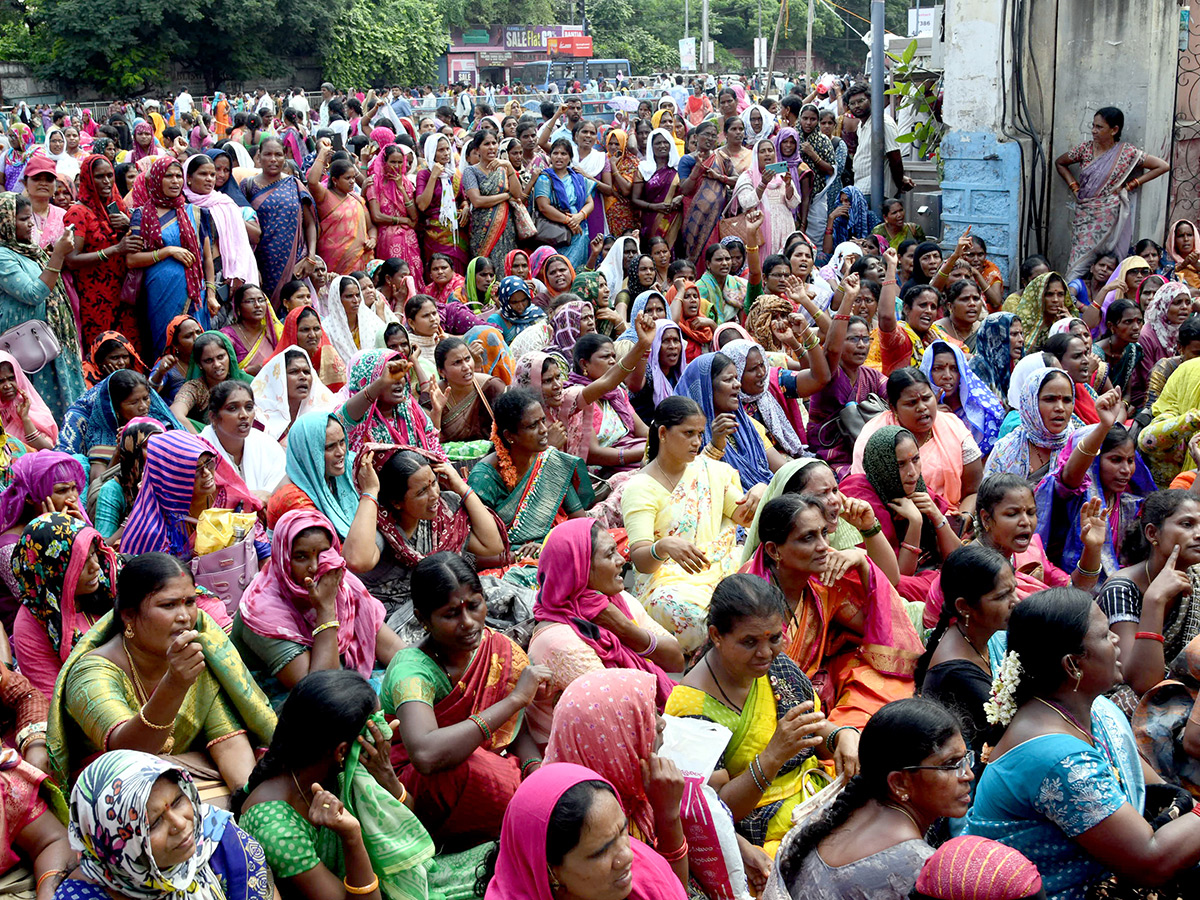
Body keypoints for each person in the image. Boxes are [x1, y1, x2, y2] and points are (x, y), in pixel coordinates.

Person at [966, 588, 1200, 900]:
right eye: (1105, 635)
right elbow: (1150, 862)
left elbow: (1159, 793)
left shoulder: (1096, 711)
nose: (1117, 639)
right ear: (1073, 665)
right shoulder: (1055, 755)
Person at [664, 571, 863, 855]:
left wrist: (844, 736)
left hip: (816, 794)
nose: (766, 653)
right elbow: (718, 810)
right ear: (716, 636)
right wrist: (772, 757)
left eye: (775, 638)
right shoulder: (691, 709)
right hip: (761, 830)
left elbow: (817, 733)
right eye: (749, 642)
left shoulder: (777, 666)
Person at [49, 552, 276, 793]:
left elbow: (227, 740)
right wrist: (174, 685)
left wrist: (247, 800)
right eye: (168, 605)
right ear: (128, 616)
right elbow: (126, 754)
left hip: (182, 782)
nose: (184, 617)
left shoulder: (193, 655)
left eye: (190, 602)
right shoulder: (91, 674)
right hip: (116, 795)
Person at [380, 552, 550, 848]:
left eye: (474, 606)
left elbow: (512, 727)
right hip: (413, 789)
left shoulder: (496, 648)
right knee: (472, 771)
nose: (469, 622)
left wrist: (533, 766)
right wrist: (516, 699)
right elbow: (426, 755)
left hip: (486, 764)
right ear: (423, 619)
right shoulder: (412, 669)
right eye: (451, 614)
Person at [237, 669, 438, 900]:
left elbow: (410, 827)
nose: (383, 731)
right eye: (376, 723)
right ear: (342, 750)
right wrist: (351, 835)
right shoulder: (275, 826)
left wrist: (387, 776)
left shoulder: (336, 770)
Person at [740, 494, 922, 727]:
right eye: (808, 538)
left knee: (886, 682)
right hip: (760, 706)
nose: (824, 546)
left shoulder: (822, 583)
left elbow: (875, 628)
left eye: (824, 533)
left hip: (809, 693)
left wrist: (863, 562)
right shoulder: (748, 595)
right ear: (774, 551)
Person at [768, 698, 970, 900]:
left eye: (965, 758)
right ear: (899, 783)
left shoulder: (844, 808)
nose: (967, 774)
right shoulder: (918, 865)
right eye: (950, 764)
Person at [622, 396, 763, 652]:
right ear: (663, 433)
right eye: (688, 433)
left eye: (700, 433)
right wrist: (662, 546)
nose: (698, 442)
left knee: (760, 590)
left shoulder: (708, 470)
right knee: (684, 611)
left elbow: (744, 515)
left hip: (721, 566)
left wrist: (761, 492)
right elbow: (641, 560)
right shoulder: (640, 487)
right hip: (668, 583)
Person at [526, 519, 682, 743]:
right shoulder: (558, 641)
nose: (621, 561)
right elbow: (619, 711)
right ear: (578, 569)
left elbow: (675, 660)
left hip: (634, 728)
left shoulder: (616, 602)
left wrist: (625, 629)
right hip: (586, 750)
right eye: (610, 555)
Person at [233, 509, 398, 702]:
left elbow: (392, 648)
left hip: (337, 682)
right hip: (288, 703)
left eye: (323, 553)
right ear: (283, 557)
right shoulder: (261, 611)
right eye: (301, 557)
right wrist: (326, 608)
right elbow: (319, 692)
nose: (314, 566)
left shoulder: (343, 584)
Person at [59, 750, 271, 900]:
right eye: (154, 823)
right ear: (115, 844)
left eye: (178, 801)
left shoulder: (216, 837)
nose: (179, 823)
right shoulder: (81, 896)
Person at [542, 669, 689, 879]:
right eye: (643, 718)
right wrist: (669, 816)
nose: (660, 723)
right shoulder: (587, 826)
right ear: (610, 741)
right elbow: (672, 891)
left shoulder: (634, 792)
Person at [355, 444, 507, 638]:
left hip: (447, 601)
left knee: (506, 598)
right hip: (403, 618)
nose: (434, 495)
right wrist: (370, 492)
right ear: (396, 502)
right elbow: (358, 561)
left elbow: (492, 545)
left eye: (433, 483)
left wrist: (461, 487)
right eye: (422, 492)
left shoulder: (445, 508)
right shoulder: (385, 529)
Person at [481, 762, 688, 900]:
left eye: (623, 832)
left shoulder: (645, 874)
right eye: (600, 852)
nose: (627, 855)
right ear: (550, 873)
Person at [916, 544, 1016, 768]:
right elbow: (1004, 739)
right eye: (1002, 596)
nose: (1015, 602)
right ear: (964, 607)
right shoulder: (957, 673)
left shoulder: (985, 637)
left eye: (1013, 590)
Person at [1098, 489, 1200, 703]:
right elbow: (1141, 683)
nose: (1198, 533)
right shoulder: (1121, 589)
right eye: (1187, 524)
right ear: (1153, 533)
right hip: (1131, 700)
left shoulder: (1195, 578)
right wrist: (1154, 601)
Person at [842, 425, 962, 605]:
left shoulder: (919, 491)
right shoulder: (860, 496)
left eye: (915, 459)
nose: (912, 472)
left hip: (925, 574)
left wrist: (936, 516)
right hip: (891, 583)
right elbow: (896, 578)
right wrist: (915, 523)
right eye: (900, 464)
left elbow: (958, 558)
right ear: (883, 465)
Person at [10, 511, 117, 702]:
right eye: (81, 562)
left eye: (94, 554)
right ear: (52, 571)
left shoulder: (105, 586)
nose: (96, 567)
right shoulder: (34, 623)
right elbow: (55, 699)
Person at [1056, 106, 1170, 279]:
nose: (1093, 131)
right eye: (1093, 126)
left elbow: (1162, 166)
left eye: (1099, 127)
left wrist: (1131, 185)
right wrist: (1074, 187)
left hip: (1111, 215)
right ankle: (1072, 298)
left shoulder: (1126, 153)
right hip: (1086, 215)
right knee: (1076, 266)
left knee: (1110, 264)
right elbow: (1060, 163)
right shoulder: (1085, 149)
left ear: (1114, 130)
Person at [0, 192, 85, 422]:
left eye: (31, 218)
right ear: (5, 223)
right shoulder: (3, 256)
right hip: (25, 346)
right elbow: (33, 293)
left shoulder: (28, 249)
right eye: (23, 219)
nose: (30, 224)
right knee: (35, 404)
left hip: (45, 340)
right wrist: (57, 254)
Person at [117, 430, 263, 560]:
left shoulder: (226, 496)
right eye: (195, 469)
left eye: (208, 463)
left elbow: (259, 542)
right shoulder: (152, 531)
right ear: (172, 478)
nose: (207, 473)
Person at [125, 157, 218, 358]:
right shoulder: (142, 215)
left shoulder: (196, 212)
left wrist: (211, 293)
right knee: (165, 345)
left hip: (196, 294)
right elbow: (131, 259)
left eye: (178, 176)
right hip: (159, 292)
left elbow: (207, 258)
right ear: (157, 179)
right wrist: (167, 251)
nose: (175, 181)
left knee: (199, 346)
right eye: (169, 176)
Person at [852, 368, 983, 511]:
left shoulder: (953, 427)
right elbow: (863, 492)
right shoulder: (874, 436)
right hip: (891, 519)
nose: (922, 408)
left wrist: (965, 517)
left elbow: (973, 490)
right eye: (911, 403)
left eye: (927, 398)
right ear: (893, 408)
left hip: (951, 519)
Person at [63, 154, 140, 350]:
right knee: (103, 351)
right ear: (88, 179)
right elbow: (71, 259)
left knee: (128, 350)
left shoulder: (117, 206)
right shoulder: (77, 213)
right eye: (99, 176)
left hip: (124, 294)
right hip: (96, 297)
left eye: (109, 175)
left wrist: (128, 223)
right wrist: (115, 249)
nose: (106, 181)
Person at [243, 138, 318, 306]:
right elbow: (242, 228)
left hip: (294, 264)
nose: (273, 159)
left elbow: (310, 224)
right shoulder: (248, 186)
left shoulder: (295, 185)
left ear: (285, 156)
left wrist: (311, 257)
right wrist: (251, 267)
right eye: (267, 154)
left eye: (278, 154)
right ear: (259, 157)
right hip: (261, 262)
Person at [337, 348, 440, 454]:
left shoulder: (409, 406)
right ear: (369, 380)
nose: (398, 380)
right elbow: (343, 422)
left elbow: (433, 442)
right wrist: (381, 383)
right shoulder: (357, 416)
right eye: (390, 375)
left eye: (401, 374)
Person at [986, 367, 1077, 482]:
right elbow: (989, 497)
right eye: (1050, 399)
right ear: (1031, 402)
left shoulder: (1079, 446)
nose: (1060, 408)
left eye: (1067, 400)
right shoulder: (1005, 452)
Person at [198, 380, 285, 499]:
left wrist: (268, 497)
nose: (244, 415)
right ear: (213, 417)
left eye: (249, 407)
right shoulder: (199, 453)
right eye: (233, 408)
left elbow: (282, 487)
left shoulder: (267, 445)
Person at [182, 153, 258, 288]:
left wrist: (238, 273)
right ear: (188, 177)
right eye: (203, 174)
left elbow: (241, 245)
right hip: (187, 273)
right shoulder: (180, 206)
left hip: (225, 275)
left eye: (212, 175)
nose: (209, 179)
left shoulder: (225, 204)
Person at [921, 341, 1005, 457]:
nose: (947, 376)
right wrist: (931, 416)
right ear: (927, 371)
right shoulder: (917, 411)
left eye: (954, 369)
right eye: (938, 368)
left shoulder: (984, 411)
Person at [249, 345, 338, 445]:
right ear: (279, 378)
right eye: (294, 372)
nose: (303, 377)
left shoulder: (325, 410)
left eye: (307, 372)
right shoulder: (258, 416)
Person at [365, 144, 424, 286]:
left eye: (400, 162)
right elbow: (376, 216)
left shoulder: (406, 183)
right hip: (388, 238)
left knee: (413, 274)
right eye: (392, 162)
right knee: (393, 277)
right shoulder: (374, 182)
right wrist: (401, 219)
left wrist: (400, 188)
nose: (396, 166)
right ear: (384, 162)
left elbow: (414, 217)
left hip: (409, 238)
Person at [168, 330, 253, 428]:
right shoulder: (197, 388)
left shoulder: (248, 382)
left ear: (229, 355)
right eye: (209, 360)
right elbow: (175, 414)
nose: (217, 364)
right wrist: (204, 441)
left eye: (220, 357)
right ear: (199, 364)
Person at [534, 138, 593, 271]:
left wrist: (579, 216)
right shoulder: (544, 178)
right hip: (557, 232)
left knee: (576, 271)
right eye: (555, 153)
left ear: (570, 157)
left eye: (564, 154)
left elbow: (589, 202)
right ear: (550, 156)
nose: (559, 157)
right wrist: (568, 220)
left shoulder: (578, 178)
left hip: (579, 231)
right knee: (559, 271)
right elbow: (544, 206)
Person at [845, 84, 913, 199]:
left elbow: (894, 157)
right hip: (861, 188)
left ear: (871, 99)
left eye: (861, 101)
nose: (857, 106)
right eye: (852, 103)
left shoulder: (883, 123)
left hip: (874, 190)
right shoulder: (862, 126)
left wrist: (900, 181)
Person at [415, 134, 468, 276]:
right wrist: (434, 176)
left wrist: (465, 208)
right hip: (434, 234)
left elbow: (462, 199)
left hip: (456, 233)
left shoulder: (455, 174)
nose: (445, 153)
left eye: (447, 149)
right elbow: (422, 204)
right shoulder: (424, 174)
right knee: (438, 270)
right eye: (440, 150)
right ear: (432, 152)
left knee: (457, 273)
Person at [277, 305, 347, 393]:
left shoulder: (327, 358)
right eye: (305, 330)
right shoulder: (278, 364)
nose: (313, 335)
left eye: (317, 329)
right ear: (292, 332)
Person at [631, 129, 682, 246]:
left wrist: (680, 198)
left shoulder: (679, 167)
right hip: (651, 220)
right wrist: (654, 207)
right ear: (651, 146)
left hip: (675, 220)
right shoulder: (644, 169)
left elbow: (690, 191)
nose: (662, 146)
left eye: (665, 142)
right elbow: (635, 199)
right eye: (658, 143)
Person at [220, 283, 282, 375]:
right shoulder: (227, 337)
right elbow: (220, 373)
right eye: (250, 301)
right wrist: (248, 371)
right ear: (238, 308)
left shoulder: (273, 333)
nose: (257, 305)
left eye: (261, 300)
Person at [148, 314, 202, 404]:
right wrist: (160, 373)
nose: (196, 338)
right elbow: (149, 393)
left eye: (198, 332)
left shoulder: (208, 359)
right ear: (175, 344)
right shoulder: (168, 365)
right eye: (188, 336)